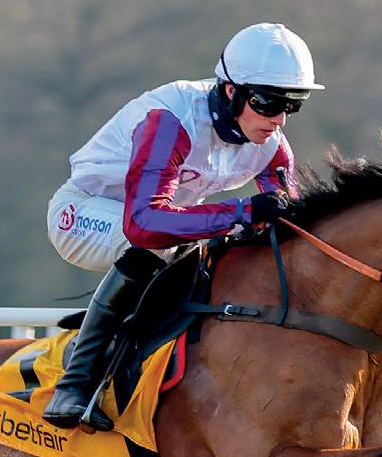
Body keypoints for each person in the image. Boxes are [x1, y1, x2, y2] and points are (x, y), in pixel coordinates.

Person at [43, 22, 324, 431]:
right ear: (231, 91)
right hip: (84, 213)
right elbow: (144, 224)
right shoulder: (171, 121)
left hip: (162, 223)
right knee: (158, 248)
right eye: (267, 103)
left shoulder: (272, 146)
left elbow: (291, 227)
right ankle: (75, 384)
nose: (279, 119)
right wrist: (241, 212)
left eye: (293, 106)